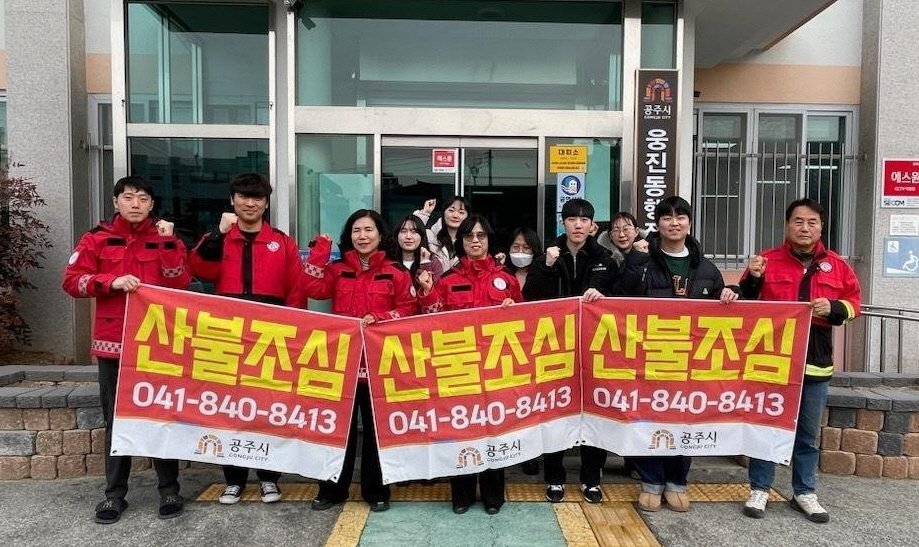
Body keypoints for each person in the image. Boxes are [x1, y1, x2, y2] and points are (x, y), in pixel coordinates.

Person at [63, 175, 191, 524]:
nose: (136, 204)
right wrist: (110, 281)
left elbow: (180, 281)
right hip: (114, 346)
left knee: (161, 416)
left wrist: (168, 243)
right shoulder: (96, 239)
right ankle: (114, 495)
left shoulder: (165, 238)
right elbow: (72, 281)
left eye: (143, 198)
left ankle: (169, 489)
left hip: (156, 346)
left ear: (152, 205)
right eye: (129, 197)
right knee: (116, 420)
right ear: (116, 202)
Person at [739, 198, 861, 523]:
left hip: (815, 362)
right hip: (772, 361)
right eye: (798, 221)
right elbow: (745, 302)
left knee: (807, 433)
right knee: (766, 426)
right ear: (787, 225)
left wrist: (834, 308)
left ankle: (804, 492)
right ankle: (760, 488)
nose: (804, 228)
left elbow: (854, 304)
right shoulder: (766, 260)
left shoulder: (837, 266)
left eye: (811, 222)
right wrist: (753, 278)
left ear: (821, 227)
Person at [188, 173, 305, 506]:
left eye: (257, 198)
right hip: (228, 336)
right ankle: (234, 479)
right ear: (232, 200)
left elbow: (296, 291)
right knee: (230, 408)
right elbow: (199, 269)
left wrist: (294, 337)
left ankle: (269, 477)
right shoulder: (218, 238)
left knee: (268, 408)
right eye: (243, 196)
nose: (250, 203)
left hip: (271, 337)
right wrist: (217, 235)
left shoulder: (282, 242)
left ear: (266, 203)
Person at [617, 195, 738, 513]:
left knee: (685, 420)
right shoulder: (643, 261)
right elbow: (620, 298)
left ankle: (677, 480)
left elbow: (722, 308)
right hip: (649, 358)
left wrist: (732, 292)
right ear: (657, 224)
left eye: (680, 216)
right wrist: (634, 260)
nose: (674, 222)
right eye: (667, 217)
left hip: (690, 363)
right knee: (648, 418)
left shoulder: (706, 268)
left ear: (689, 222)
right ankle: (651, 480)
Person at [302, 209, 416, 513]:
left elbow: (409, 310)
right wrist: (320, 251)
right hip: (343, 363)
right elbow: (312, 287)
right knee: (337, 429)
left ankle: (376, 490)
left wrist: (379, 318)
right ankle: (331, 490)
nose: (362, 236)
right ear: (349, 236)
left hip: (379, 363)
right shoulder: (338, 269)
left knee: (377, 431)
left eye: (368, 230)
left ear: (380, 234)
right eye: (356, 231)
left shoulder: (395, 272)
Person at [417, 215, 522, 515]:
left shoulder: (507, 279)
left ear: (489, 240)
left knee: (494, 430)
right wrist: (427, 291)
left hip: (495, 370)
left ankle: (493, 496)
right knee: (461, 430)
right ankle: (461, 495)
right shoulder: (447, 279)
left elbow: (525, 324)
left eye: (481, 236)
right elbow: (432, 318)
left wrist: (514, 310)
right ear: (460, 241)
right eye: (468, 237)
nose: (475, 241)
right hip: (459, 369)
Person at [523, 198, 618, 504]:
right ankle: (554, 477)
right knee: (556, 413)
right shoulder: (547, 256)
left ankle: (592, 478)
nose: (578, 225)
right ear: (562, 223)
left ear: (592, 226)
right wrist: (547, 266)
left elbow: (620, 299)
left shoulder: (605, 258)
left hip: (594, 349)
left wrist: (602, 296)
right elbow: (530, 296)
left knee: (595, 413)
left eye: (584, 220)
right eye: (572, 219)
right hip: (555, 349)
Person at [505, 226, 543, 476]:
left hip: (536, 346)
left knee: (532, 403)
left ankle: (531, 453)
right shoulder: (502, 274)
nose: (520, 252)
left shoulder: (544, 272)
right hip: (507, 349)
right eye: (516, 247)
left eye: (526, 248)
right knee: (510, 402)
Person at [390, 213, 444, 285]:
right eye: (404, 231)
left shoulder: (434, 263)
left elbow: (436, 290)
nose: (408, 236)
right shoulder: (388, 261)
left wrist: (425, 264)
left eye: (414, 232)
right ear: (396, 235)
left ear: (422, 236)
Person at [421, 196, 469, 272]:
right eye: (451, 210)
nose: (455, 215)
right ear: (443, 213)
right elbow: (413, 231)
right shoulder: (431, 238)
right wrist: (424, 214)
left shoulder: (471, 243)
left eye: (461, 212)